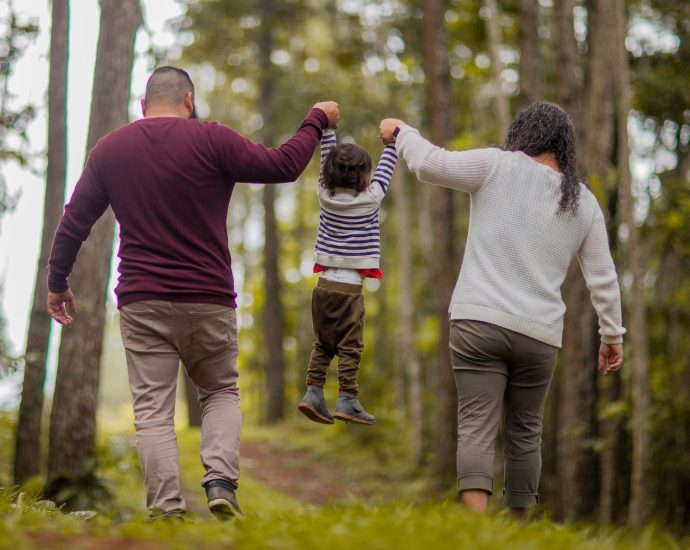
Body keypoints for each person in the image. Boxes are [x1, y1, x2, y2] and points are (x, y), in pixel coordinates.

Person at [46, 66, 339, 520]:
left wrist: (57, 281)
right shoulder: (212, 138)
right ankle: (221, 481)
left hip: (142, 300)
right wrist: (316, 119)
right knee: (220, 390)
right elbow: (283, 165)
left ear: (143, 107)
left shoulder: (111, 149)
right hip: (208, 297)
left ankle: (166, 510)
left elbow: (75, 221)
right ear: (189, 100)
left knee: (152, 411)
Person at [379, 102, 625, 518]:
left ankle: (476, 531)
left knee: (477, 425)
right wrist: (612, 335)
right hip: (540, 335)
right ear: (564, 146)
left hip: (478, 321)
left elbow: (429, 165)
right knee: (526, 433)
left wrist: (402, 131)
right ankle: (516, 532)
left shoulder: (497, 165)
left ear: (523, 134)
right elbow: (603, 277)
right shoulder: (583, 202)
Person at [297, 127, 397, 425]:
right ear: (364, 176)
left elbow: (325, 157)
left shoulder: (324, 196)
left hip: (323, 287)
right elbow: (387, 168)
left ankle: (313, 392)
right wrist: (392, 142)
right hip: (350, 291)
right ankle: (347, 398)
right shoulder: (371, 198)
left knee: (323, 343)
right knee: (350, 347)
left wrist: (328, 130)